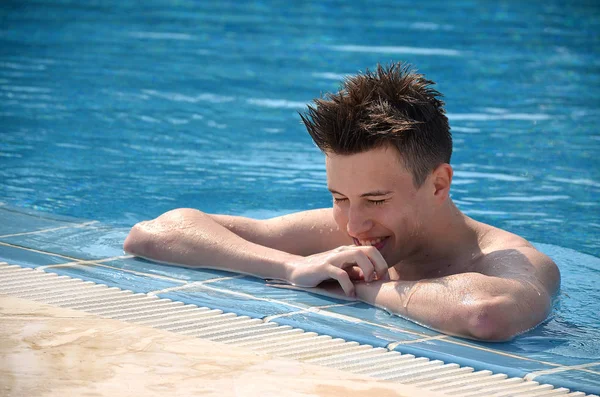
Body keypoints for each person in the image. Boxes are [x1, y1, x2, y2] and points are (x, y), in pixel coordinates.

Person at [123, 62, 560, 341]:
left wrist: (354, 288)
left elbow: (486, 315)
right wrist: (292, 267)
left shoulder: (511, 260)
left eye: (375, 199)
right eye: (339, 197)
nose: (355, 223)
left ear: (438, 184)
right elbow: (153, 234)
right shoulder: (340, 233)